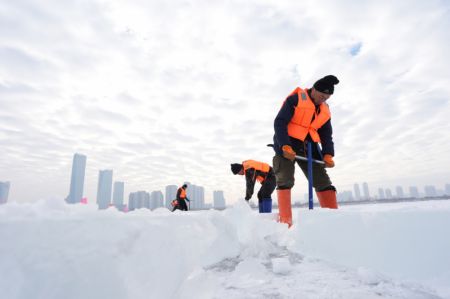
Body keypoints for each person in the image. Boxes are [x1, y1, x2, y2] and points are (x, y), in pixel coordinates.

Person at [272, 75, 340, 227]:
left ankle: (335, 222)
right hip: (288, 143)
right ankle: (285, 223)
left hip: (309, 146)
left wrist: (328, 153)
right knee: (285, 179)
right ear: (314, 89)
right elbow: (279, 122)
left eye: (327, 98)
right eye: (322, 96)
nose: (323, 100)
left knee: (323, 182)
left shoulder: (325, 110)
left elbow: (326, 134)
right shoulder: (296, 99)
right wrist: (284, 145)